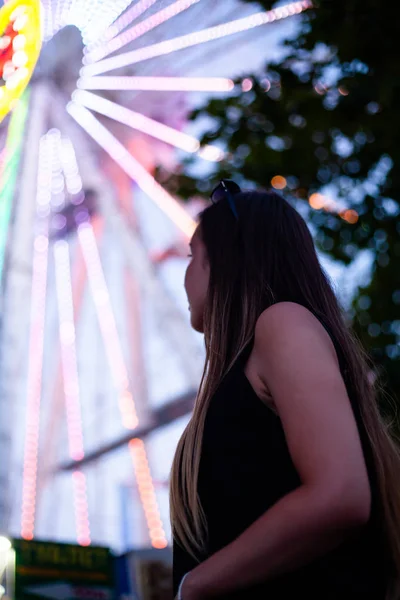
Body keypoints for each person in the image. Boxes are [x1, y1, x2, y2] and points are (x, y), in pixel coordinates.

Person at [169, 181, 400, 600]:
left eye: (191, 256)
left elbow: (340, 496)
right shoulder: (262, 350)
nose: (183, 274)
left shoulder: (282, 324)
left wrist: (194, 586)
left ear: (224, 258)